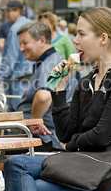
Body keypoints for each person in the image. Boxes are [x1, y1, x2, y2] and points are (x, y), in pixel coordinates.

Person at [2, 7, 111, 191]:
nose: (75, 41)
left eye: (82, 34)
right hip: (83, 165)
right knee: (14, 164)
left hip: (110, 178)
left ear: (103, 38)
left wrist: (70, 146)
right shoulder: (87, 81)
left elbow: (102, 136)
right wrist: (59, 90)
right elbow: (65, 133)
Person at [16, 21, 77, 151]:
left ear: (42, 41)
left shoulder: (49, 63)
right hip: (42, 136)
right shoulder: (51, 60)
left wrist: (34, 122)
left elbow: (44, 97)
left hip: (46, 139)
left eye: (25, 43)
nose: (21, 48)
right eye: (20, 44)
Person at [0, 0, 33, 112]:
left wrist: (0, 75)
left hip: (17, 78)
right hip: (31, 75)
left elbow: (10, 57)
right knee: (28, 110)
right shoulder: (32, 24)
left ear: (17, 11)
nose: (6, 14)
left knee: (17, 111)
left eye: (8, 11)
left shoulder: (14, 29)